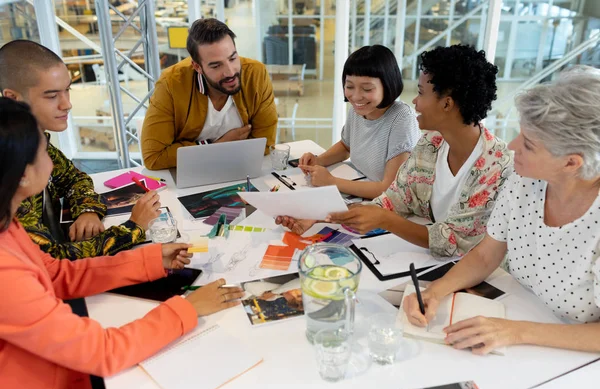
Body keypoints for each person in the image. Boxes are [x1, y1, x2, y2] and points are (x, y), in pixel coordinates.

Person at [0, 98, 245, 389]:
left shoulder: (7, 224)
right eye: (43, 152)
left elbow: (56, 273)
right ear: (22, 174)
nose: (52, 161)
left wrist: (151, 259)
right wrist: (188, 308)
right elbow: (103, 352)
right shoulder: (5, 270)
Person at [403, 66, 600, 354]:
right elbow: (486, 254)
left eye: (529, 145)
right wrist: (436, 291)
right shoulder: (524, 182)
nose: (513, 145)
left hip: (570, 355)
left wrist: (516, 332)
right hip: (520, 318)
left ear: (572, 163)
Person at [278, 45, 513, 259]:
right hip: (428, 258)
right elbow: (393, 199)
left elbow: (454, 242)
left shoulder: (495, 165)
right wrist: (321, 216)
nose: (415, 102)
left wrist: (384, 220)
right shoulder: (431, 143)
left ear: (447, 104)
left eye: (421, 93)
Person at [0, 40, 158, 260]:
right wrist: (133, 227)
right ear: (12, 98)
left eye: (67, 90)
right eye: (52, 95)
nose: (67, 104)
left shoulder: (34, 141)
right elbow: (53, 260)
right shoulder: (10, 165)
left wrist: (87, 211)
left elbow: (74, 178)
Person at [141, 18, 278, 170]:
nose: (230, 72)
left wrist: (197, 151)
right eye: (216, 65)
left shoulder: (256, 74)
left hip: (240, 169)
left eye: (233, 58)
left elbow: (265, 144)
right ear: (197, 66)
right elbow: (154, 157)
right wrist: (218, 145)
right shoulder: (171, 84)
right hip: (191, 174)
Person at [298, 45, 420, 199]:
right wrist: (318, 160)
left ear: (388, 84)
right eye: (349, 86)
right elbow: (345, 146)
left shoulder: (401, 119)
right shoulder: (358, 111)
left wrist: (331, 181)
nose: (356, 97)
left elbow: (390, 189)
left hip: (391, 205)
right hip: (363, 189)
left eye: (367, 89)